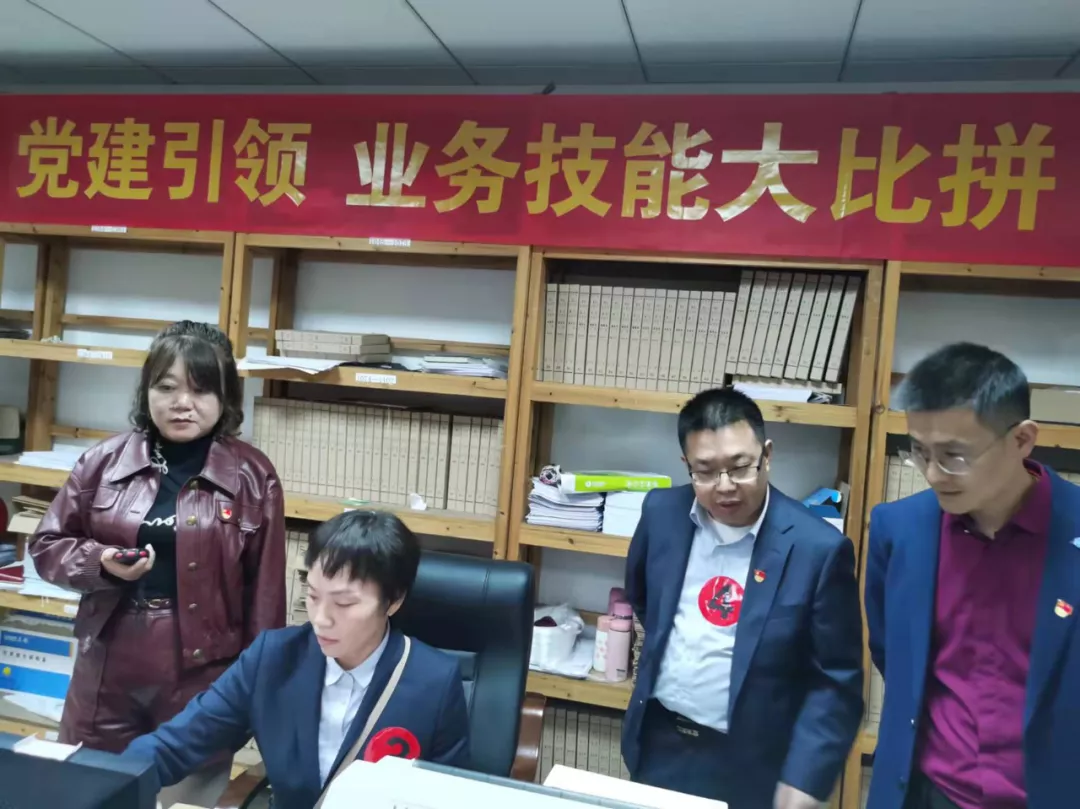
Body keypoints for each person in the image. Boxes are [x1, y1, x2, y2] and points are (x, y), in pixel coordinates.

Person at [30, 320, 286, 803]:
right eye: (166, 387)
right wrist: (100, 560)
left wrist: (258, 692)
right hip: (107, 664)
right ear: (146, 390)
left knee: (184, 799)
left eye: (200, 390)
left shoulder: (253, 476)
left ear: (226, 397)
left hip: (202, 675)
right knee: (91, 793)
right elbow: (47, 546)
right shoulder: (103, 462)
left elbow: (266, 597)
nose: (181, 403)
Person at [124, 510, 470, 809]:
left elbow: (452, 798)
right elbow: (177, 745)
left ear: (393, 601)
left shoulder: (434, 682)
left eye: (344, 604)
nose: (321, 618)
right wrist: (113, 783)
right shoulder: (273, 658)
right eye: (314, 596)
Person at [623, 387, 863, 809]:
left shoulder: (817, 549)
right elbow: (645, 600)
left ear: (766, 455)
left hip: (754, 763)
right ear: (686, 464)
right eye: (705, 471)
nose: (725, 487)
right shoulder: (661, 513)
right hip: (659, 742)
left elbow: (836, 681)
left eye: (740, 468)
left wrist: (805, 777)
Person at [865, 343, 1078, 809]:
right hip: (927, 793)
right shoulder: (897, 530)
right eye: (920, 452)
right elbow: (891, 653)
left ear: (1022, 439)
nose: (933, 474)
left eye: (954, 456)